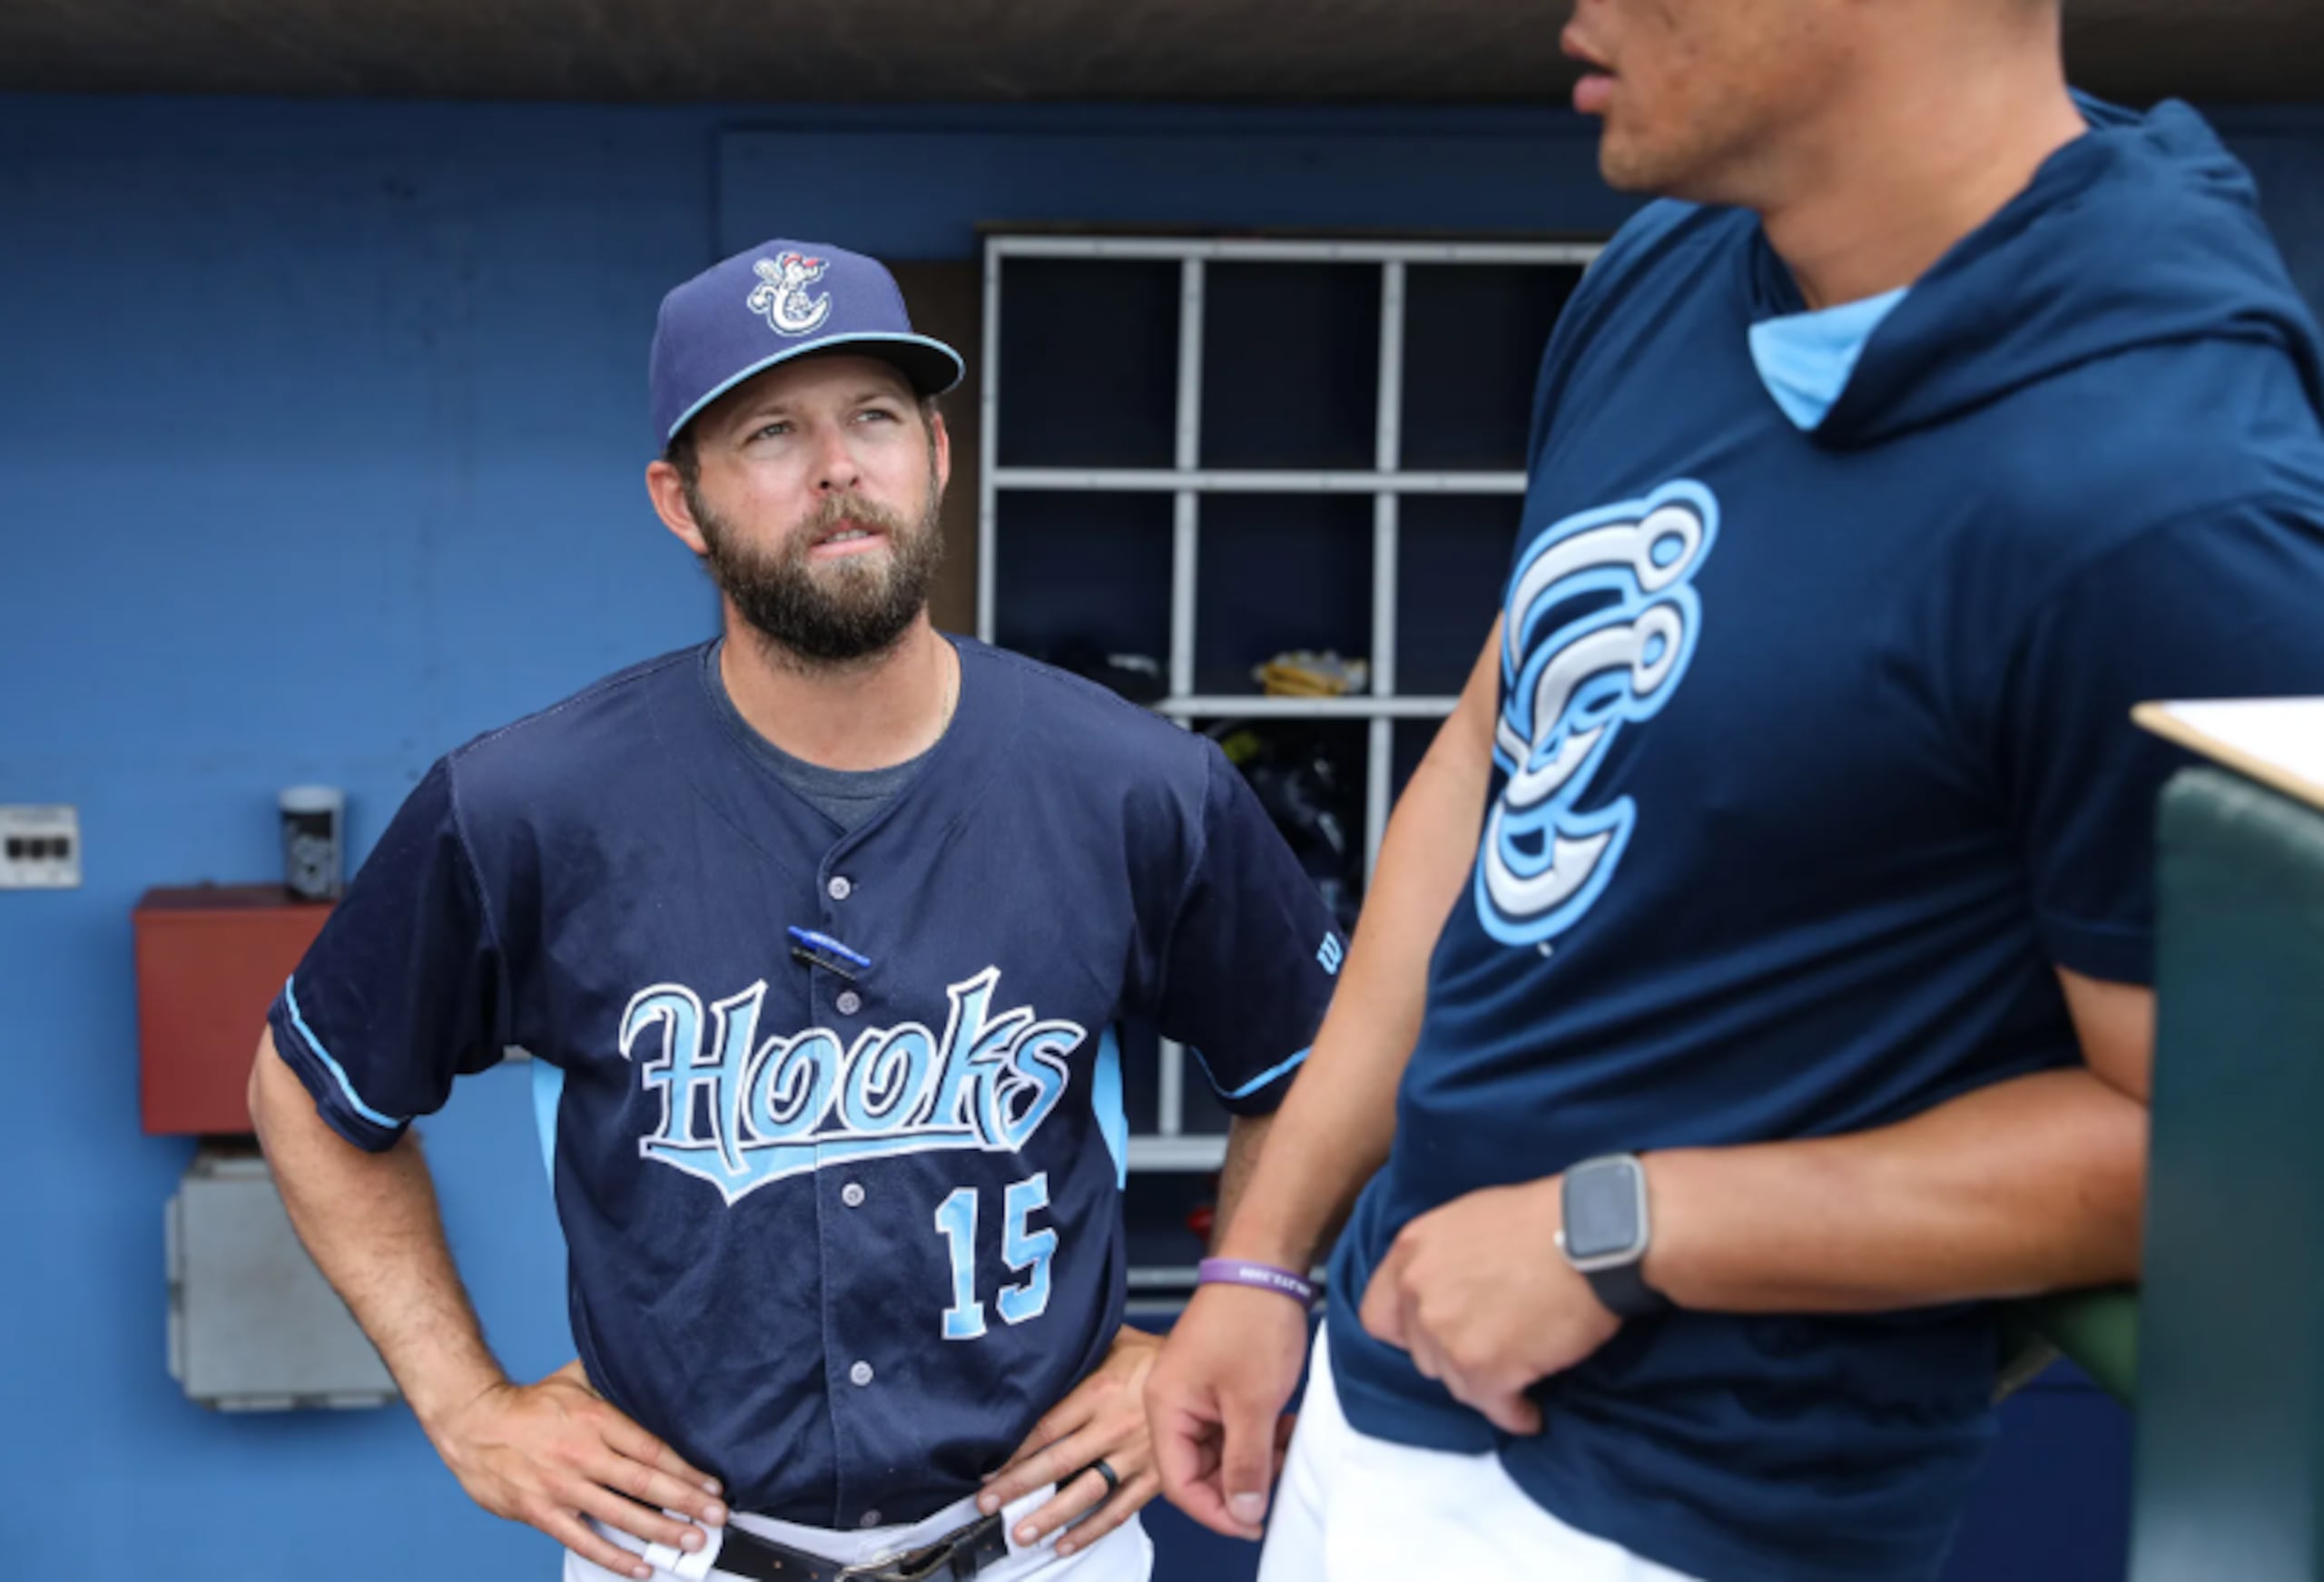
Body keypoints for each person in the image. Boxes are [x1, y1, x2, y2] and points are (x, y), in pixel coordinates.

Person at [1145, 0, 2324, 1577]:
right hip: (1382, 1387)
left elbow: (2233, 1142)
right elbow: (1501, 763)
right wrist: (1268, 1258)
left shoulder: (2177, 491)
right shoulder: (1674, 264)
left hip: (1699, 1510)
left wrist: (1624, 1227)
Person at [247, 238, 1345, 1582]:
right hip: (679, 1552)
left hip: (1043, 1546)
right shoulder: (527, 805)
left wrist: (1224, 1319)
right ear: (680, 500)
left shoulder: (1135, 785)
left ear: (937, 454)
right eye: (771, 432)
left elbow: (1314, 1070)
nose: (838, 470)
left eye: (874, 418)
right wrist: (465, 1404)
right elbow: (310, 1092)